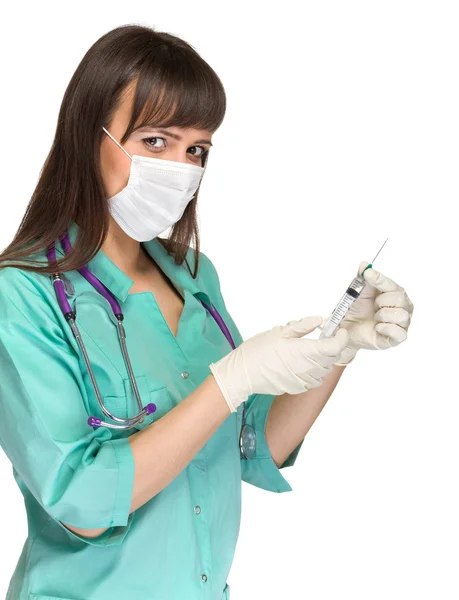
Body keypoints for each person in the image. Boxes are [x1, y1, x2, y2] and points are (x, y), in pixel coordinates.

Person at [0, 24, 414, 600]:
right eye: (154, 142)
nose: (181, 169)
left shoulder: (194, 276)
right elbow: (85, 502)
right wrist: (232, 379)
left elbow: (252, 444)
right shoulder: (23, 296)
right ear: (86, 135)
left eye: (196, 149)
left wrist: (338, 348)